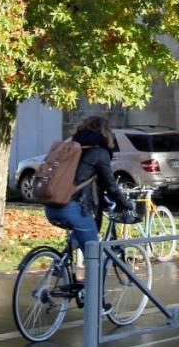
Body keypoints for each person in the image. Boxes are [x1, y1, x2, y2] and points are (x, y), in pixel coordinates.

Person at [44, 115, 134, 290]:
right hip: (72, 208)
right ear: (106, 133)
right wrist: (126, 204)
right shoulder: (99, 153)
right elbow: (110, 185)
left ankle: (62, 268)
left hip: (51, 205)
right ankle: (98, 305)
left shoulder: (70, 148)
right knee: (95, 258)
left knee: (79, 237)